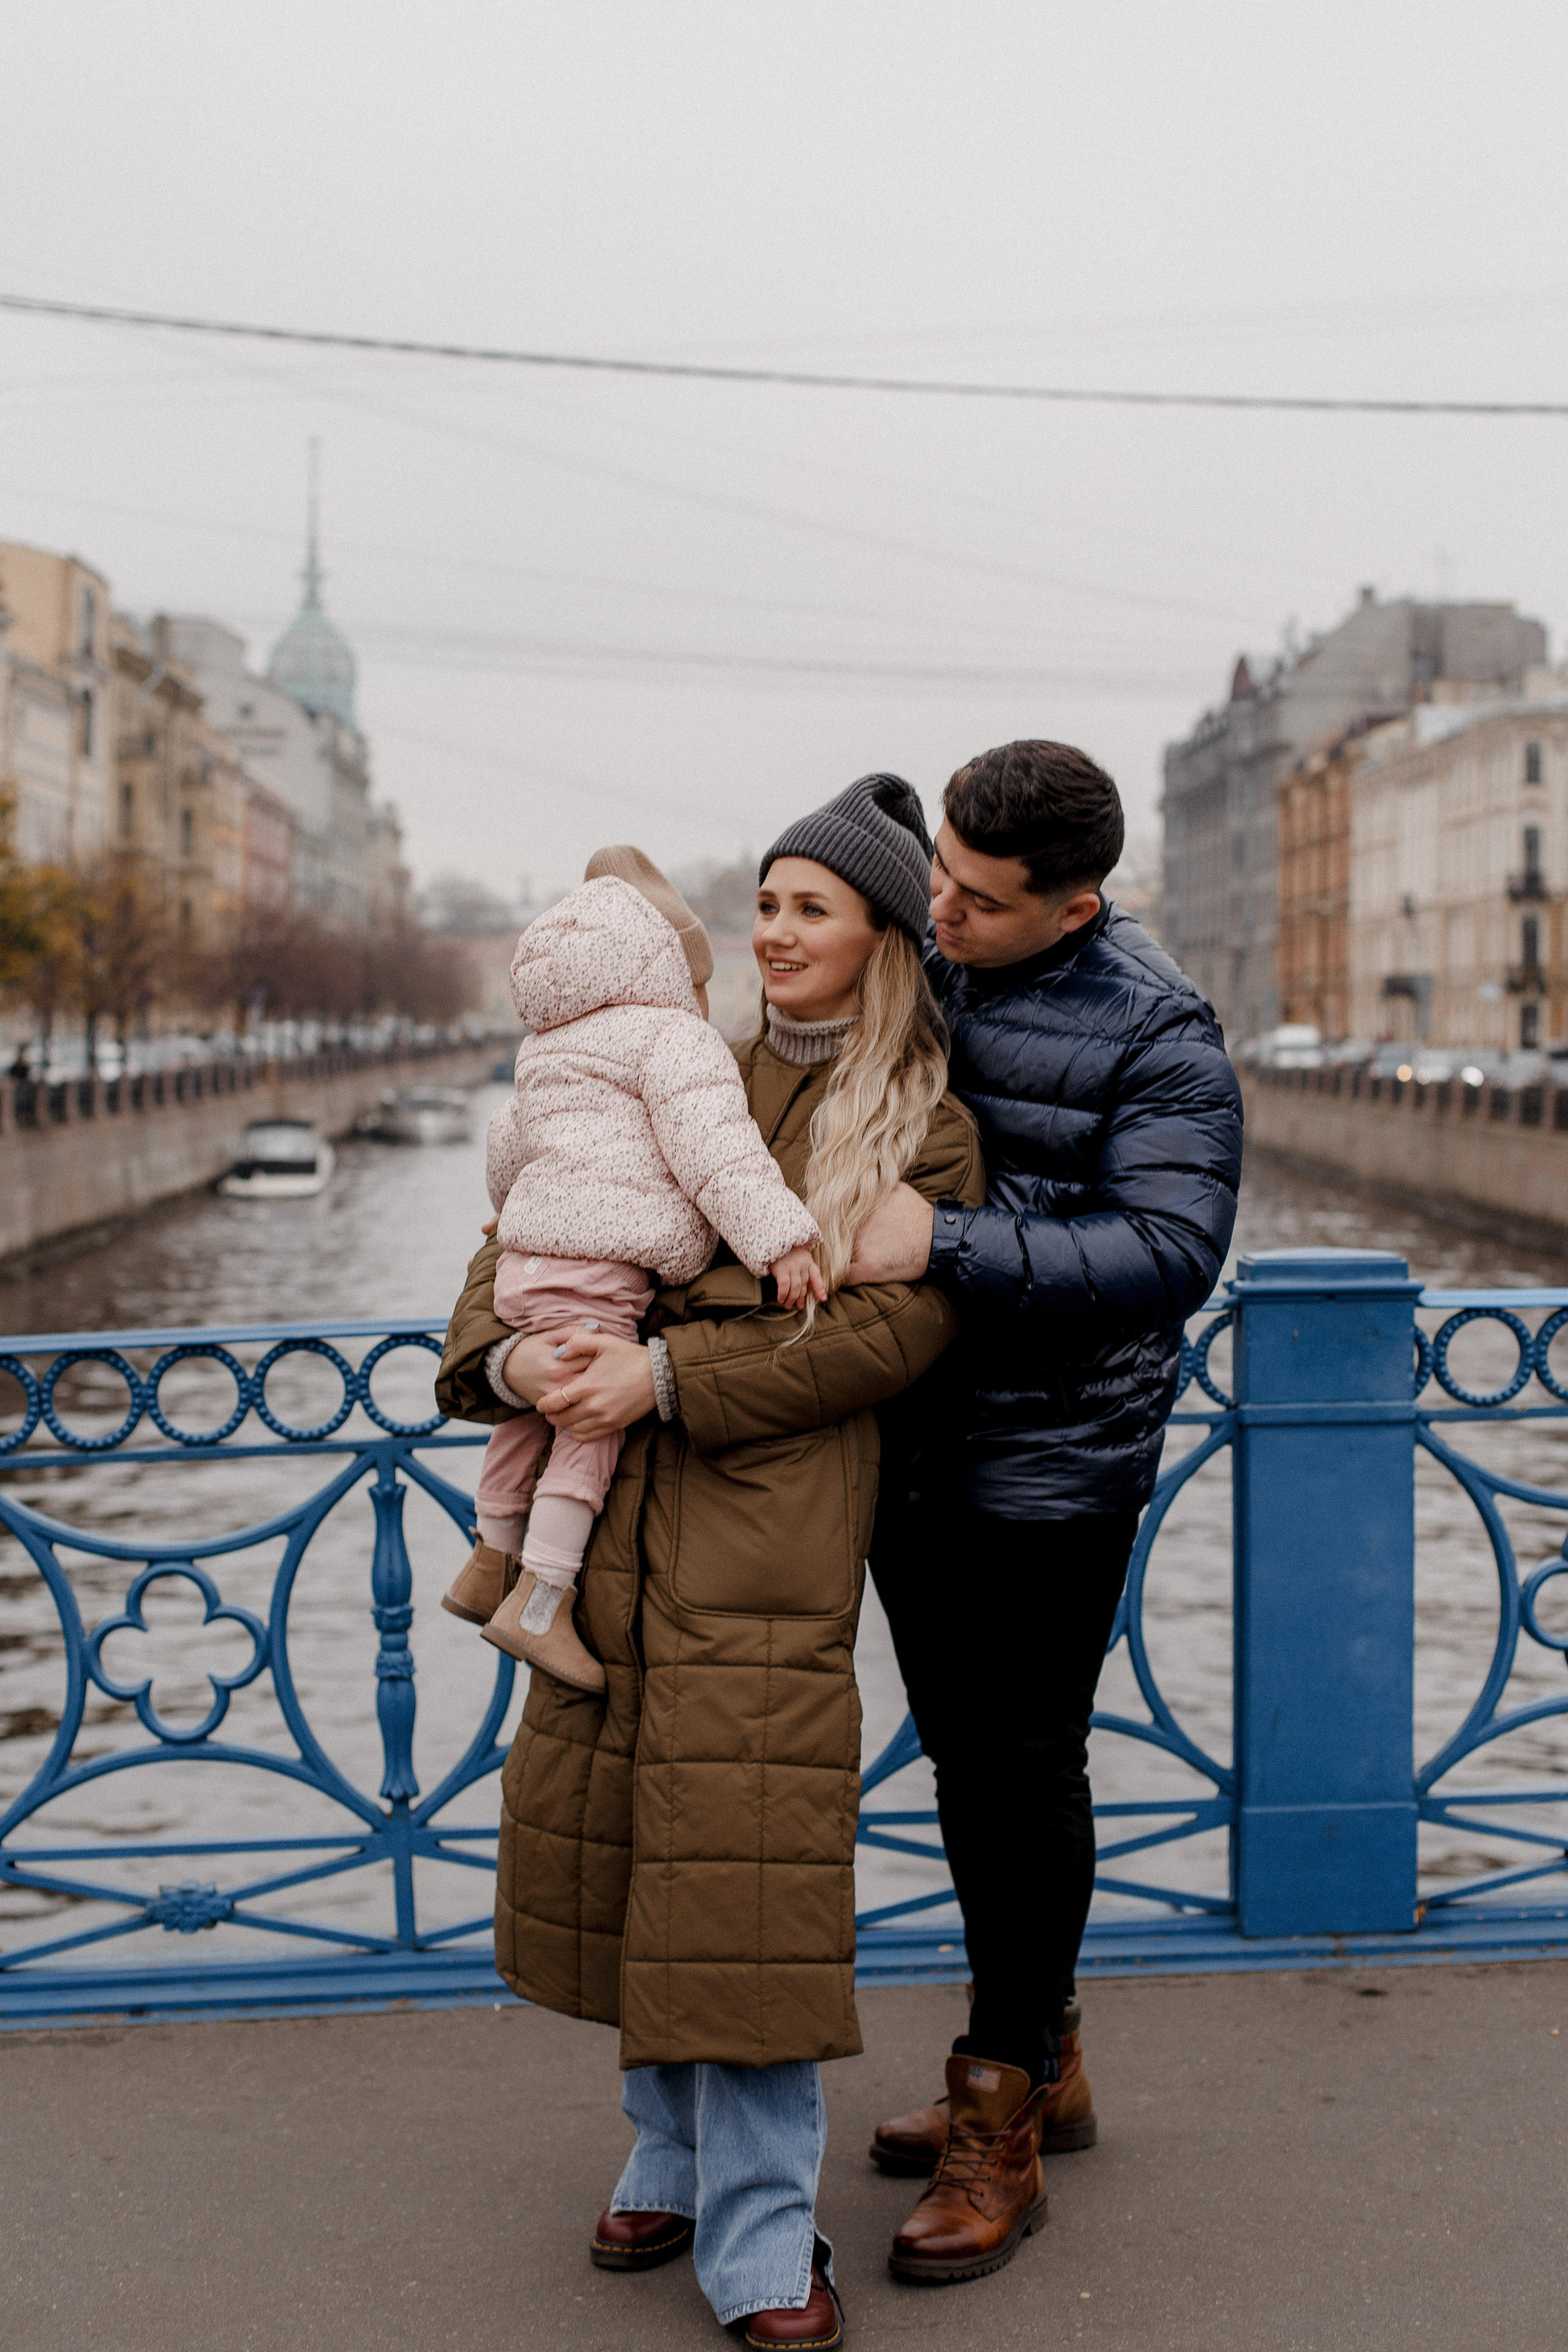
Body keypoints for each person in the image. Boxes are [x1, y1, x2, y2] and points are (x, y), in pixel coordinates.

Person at [435, 774, 987, 2347]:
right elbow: (509, 1254)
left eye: (811, 906)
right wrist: (511, 1368)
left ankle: (758, 2235)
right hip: (606, 1528)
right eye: (760, 902)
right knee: (632, 1856)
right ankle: (668, 2157)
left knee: (742, 1883)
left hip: (766, 1539)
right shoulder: (676, 1058)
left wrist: (665, 1376)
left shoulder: (924, 1120)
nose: (773, 931)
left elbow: (894, 1331)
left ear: (882, 935)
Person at [851, 739, 1243, 2285]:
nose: (935, 910)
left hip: (1052, 1465)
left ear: (1076, 906)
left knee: (1020, 1772)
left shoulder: (1161, 1035)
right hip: (917, 1447)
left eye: (974, 898)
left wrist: (940, 1240)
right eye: (934, 873)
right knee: (963, 1769)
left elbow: (1162, 1251)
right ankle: (1046, 2054)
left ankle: (996, 2110)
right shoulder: (933, 962)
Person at [440, 843, 823, 1692]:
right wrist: (779, 1239)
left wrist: (513, 1212)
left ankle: (487, 1558)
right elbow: (718, 1154)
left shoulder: (546, 1047)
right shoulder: (674, 1040)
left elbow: (510, 1143)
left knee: (530, 1411)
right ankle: (542, 1600)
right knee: (588, 1419)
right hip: (603, 1275)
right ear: (668, 967)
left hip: (527, 1264)